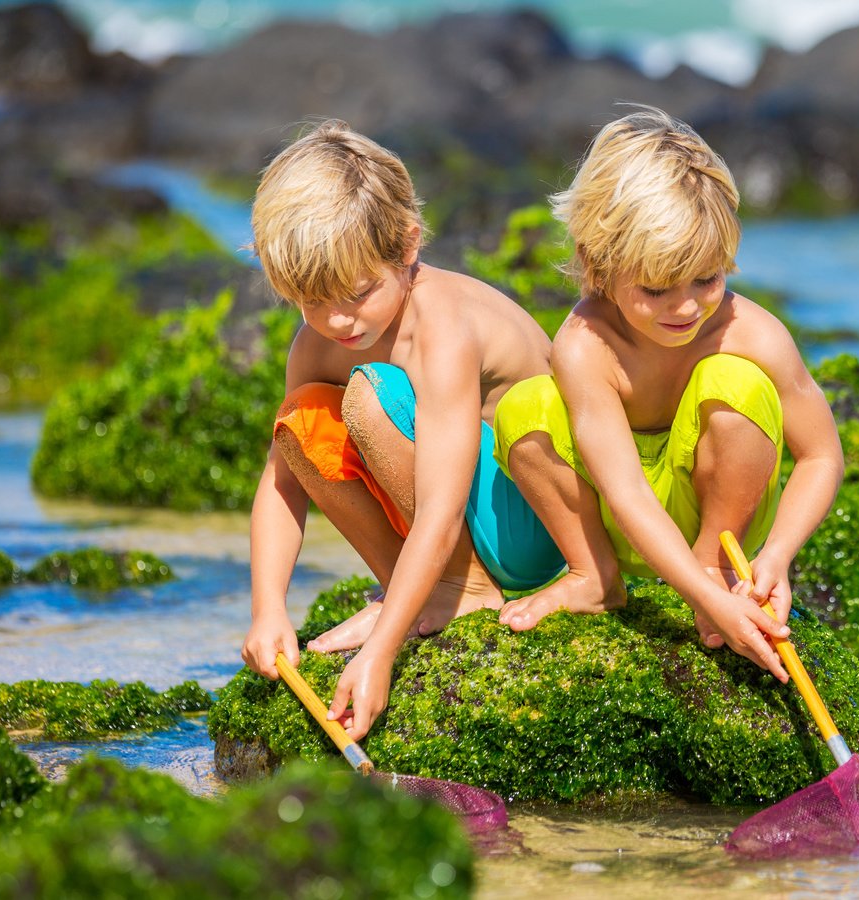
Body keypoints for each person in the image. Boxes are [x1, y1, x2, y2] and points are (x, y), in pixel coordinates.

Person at [240, 120, 622, 740]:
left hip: (535, 519)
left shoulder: (442, 326)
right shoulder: (318, 343)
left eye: (358, 292)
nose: (337, 319)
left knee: (369, 398)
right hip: (457, 514)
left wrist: (382, 652)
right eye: (312, 300)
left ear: (408, 244)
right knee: (304, 418)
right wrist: (268, 610)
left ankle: (459, 590)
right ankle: (419, 586)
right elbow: (282, 484)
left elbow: (442, 511)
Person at [492, 106, 844, 681]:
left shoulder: (750, 332)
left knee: (736, 382)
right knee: (524, 407)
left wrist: (777, 554)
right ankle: (594, 576)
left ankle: (712, 566)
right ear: (598, 268)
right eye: (655, 289)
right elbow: (626, 492)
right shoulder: (587, 346)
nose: (685, 308)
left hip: (724, 521)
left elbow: (823, 455)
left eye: (706, 279)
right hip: (621, 517)